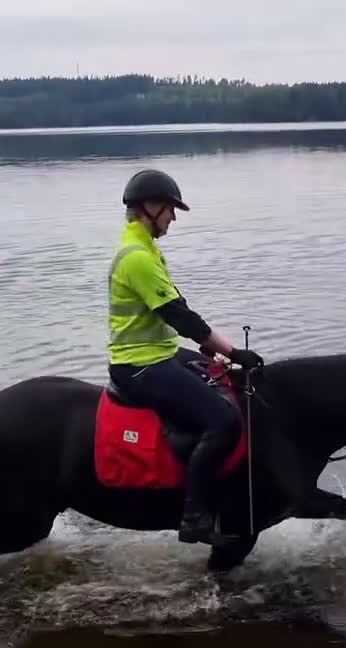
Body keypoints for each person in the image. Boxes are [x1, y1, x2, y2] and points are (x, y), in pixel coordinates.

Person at [106, 168, 264, 545]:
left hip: (158, 353)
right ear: (149, 207)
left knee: (224, 380)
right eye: (170, 209)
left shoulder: (146, 249)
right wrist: (232, 351)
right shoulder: (137, 257)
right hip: (140, 366)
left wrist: (213, 353)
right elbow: (179, 316)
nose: (173, 218)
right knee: (223, 421)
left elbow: (177, 311)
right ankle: (195, 518)